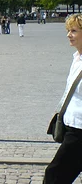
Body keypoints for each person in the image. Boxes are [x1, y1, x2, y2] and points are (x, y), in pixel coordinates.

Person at [44, 13, 82, 183]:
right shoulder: (76, 58)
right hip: (71, 126)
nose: (68, 34)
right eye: (68, 30)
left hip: (79, 130)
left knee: (54, 176)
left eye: (73, 31)